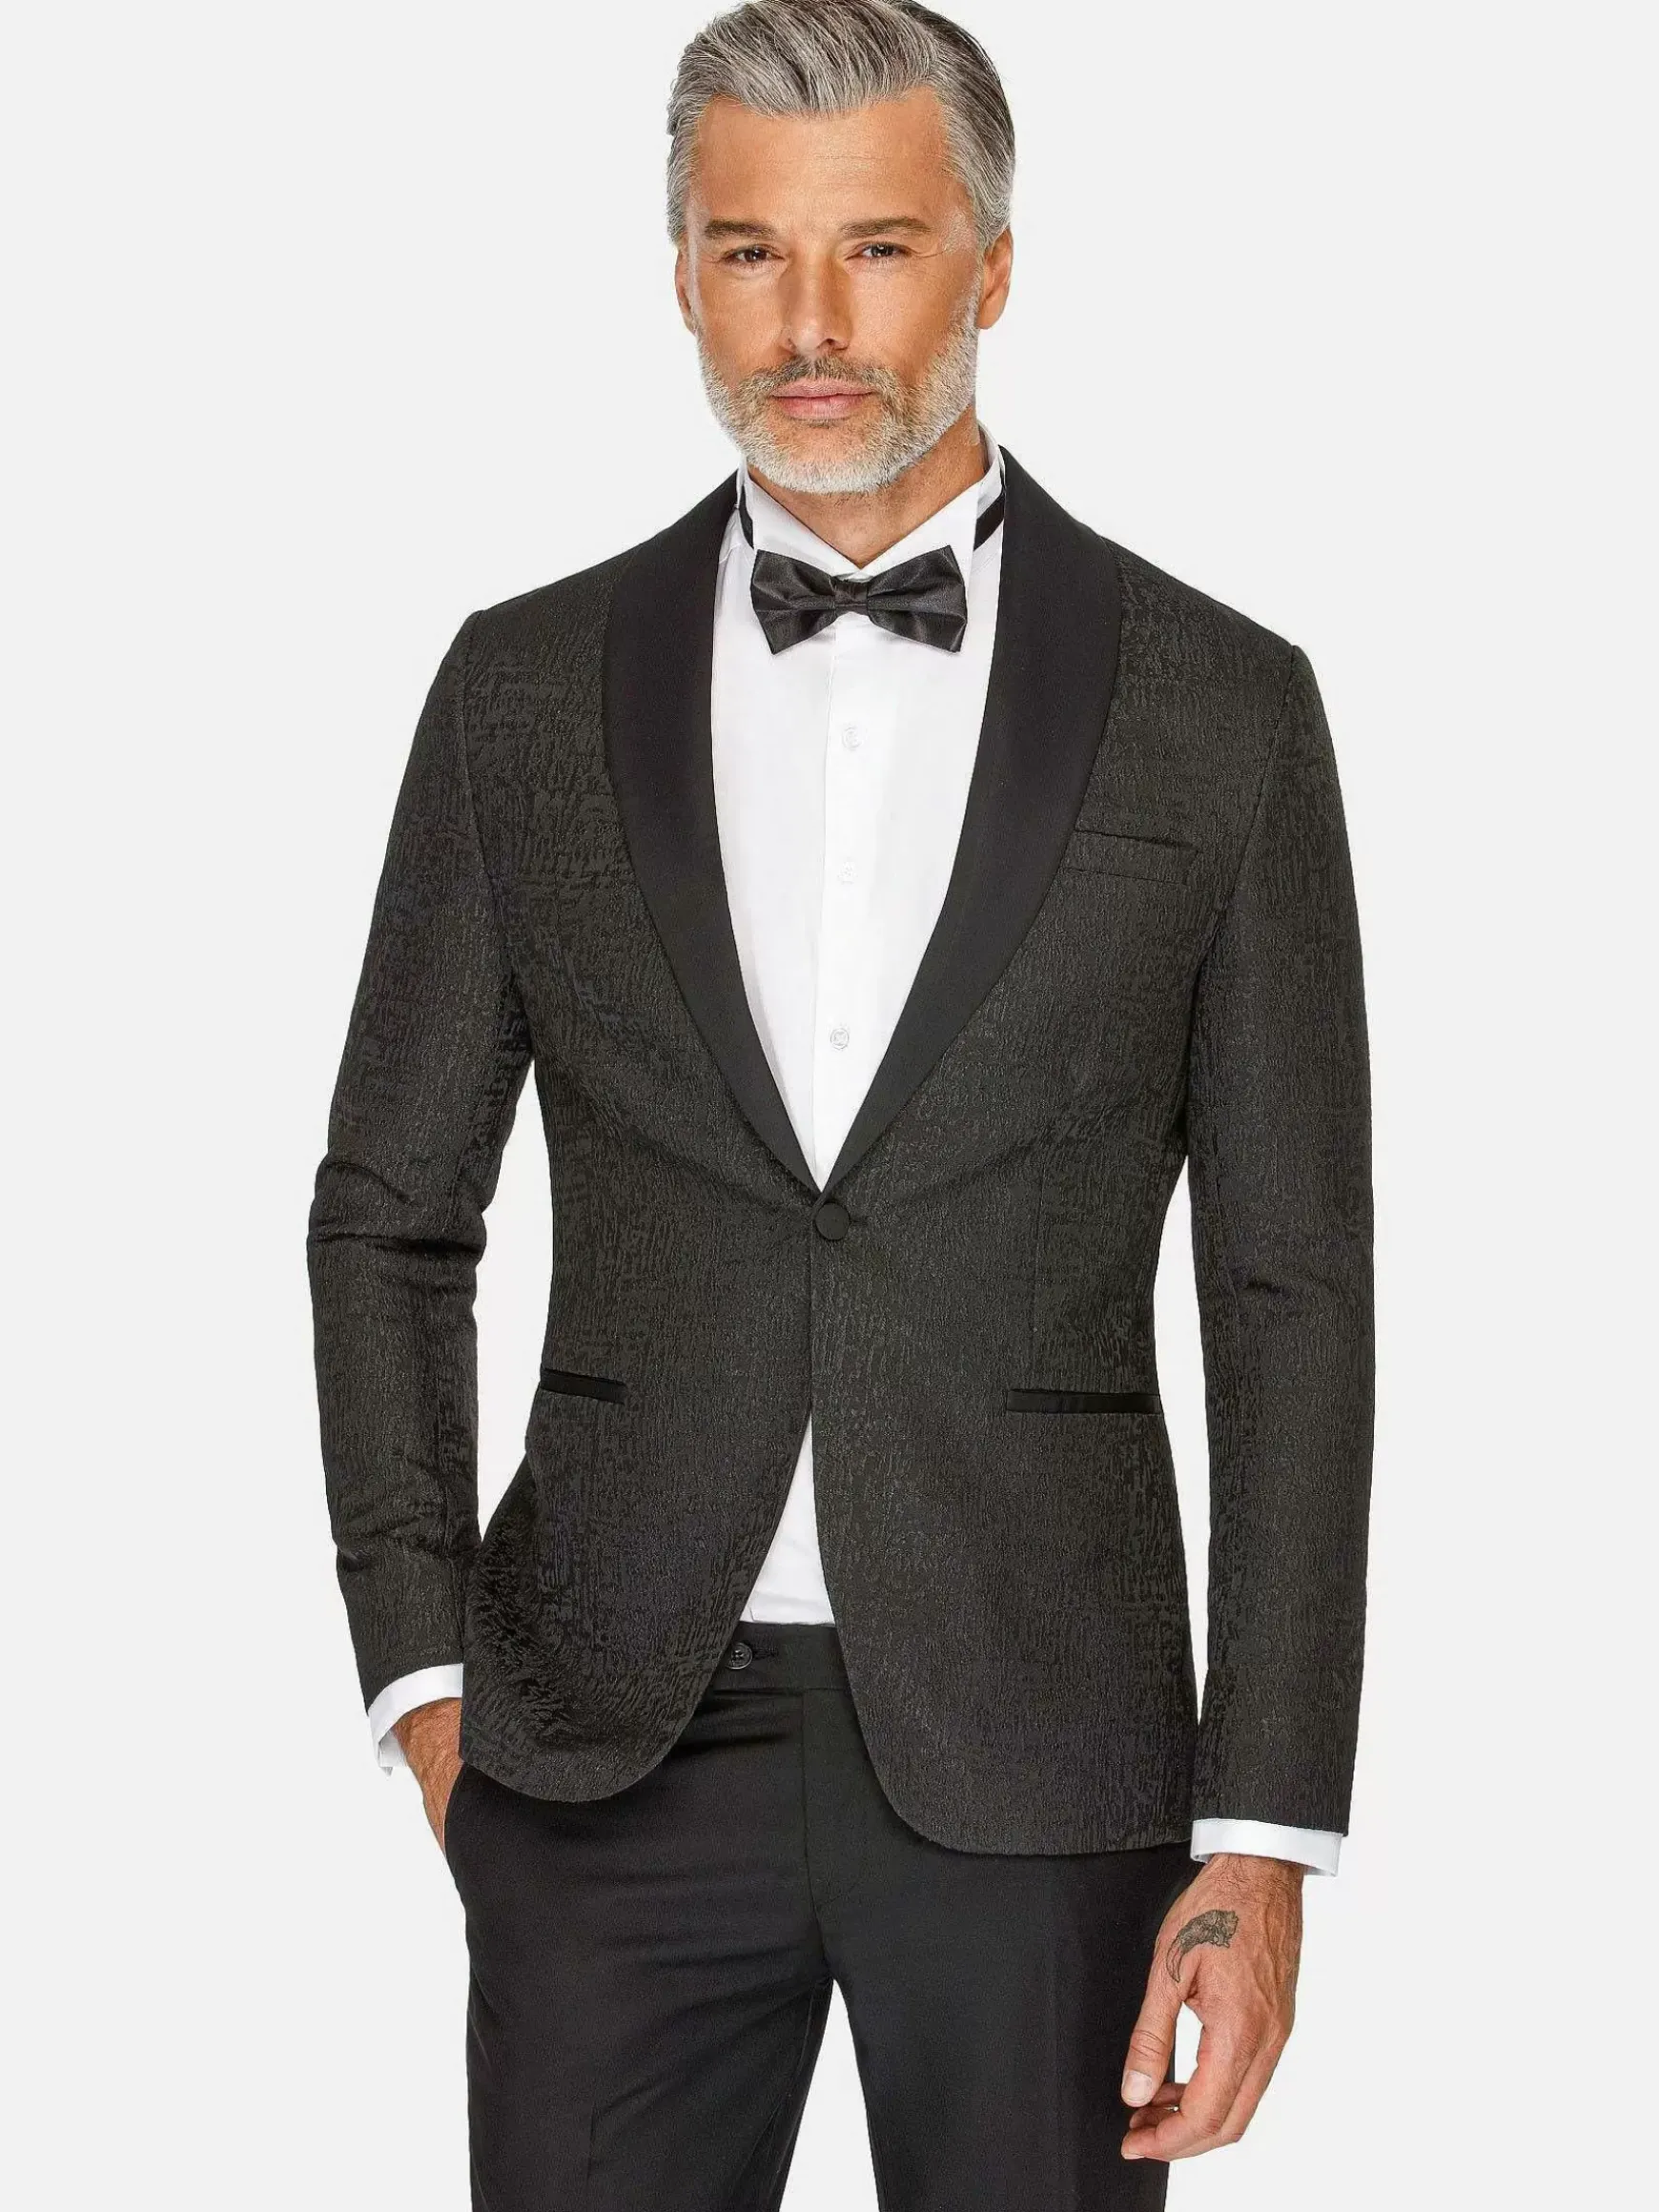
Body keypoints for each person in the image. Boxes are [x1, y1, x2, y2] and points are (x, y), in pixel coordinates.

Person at [307, 3, 1373, 2203]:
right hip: (597, 1750)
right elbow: (389, 1211)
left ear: (994, 264)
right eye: (747, 251)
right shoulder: (522, 688)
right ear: (681, 271)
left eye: (875, 249)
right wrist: (424, 1680)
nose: (808, 325)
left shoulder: (1224, 709)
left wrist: (1265, 1826)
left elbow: (1290, 1289)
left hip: (1047, 1750)